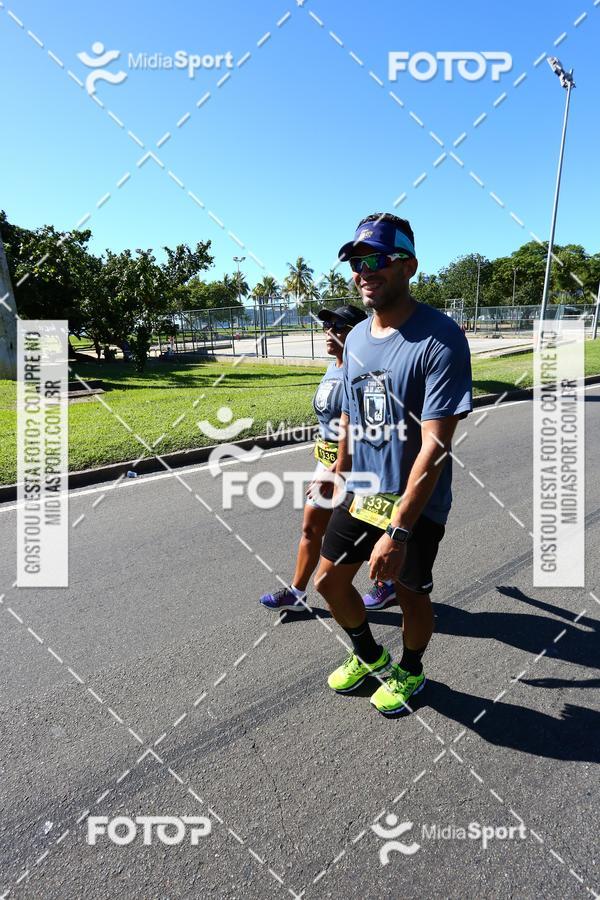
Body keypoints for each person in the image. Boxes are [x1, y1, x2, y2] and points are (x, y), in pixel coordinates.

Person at [314, 213, 472, 716]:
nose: (365, 272)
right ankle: (369, 655)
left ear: (408, 266)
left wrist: (398, 532)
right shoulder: (358, 337)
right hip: (364, 491)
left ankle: (411, 669)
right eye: (357, 263)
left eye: (377, 259)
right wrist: (337, 473)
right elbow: (351, 412)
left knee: (409, 594)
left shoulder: (440, 339)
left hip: (415, 503)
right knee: (328, 582)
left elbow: (435, 446)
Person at [259, 304, 368, 612]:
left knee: (363, 531)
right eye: (327, 326)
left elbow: (366, 429)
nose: (329, 332)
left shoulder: (363, 373)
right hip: (329, 462)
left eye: (339, 327)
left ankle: (390, 582)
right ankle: (296, 593)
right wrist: (323, 448)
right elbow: (330, 417)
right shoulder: (334, 367)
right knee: (311, 528)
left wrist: (336, 469)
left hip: (355, 466)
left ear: (358, 334)